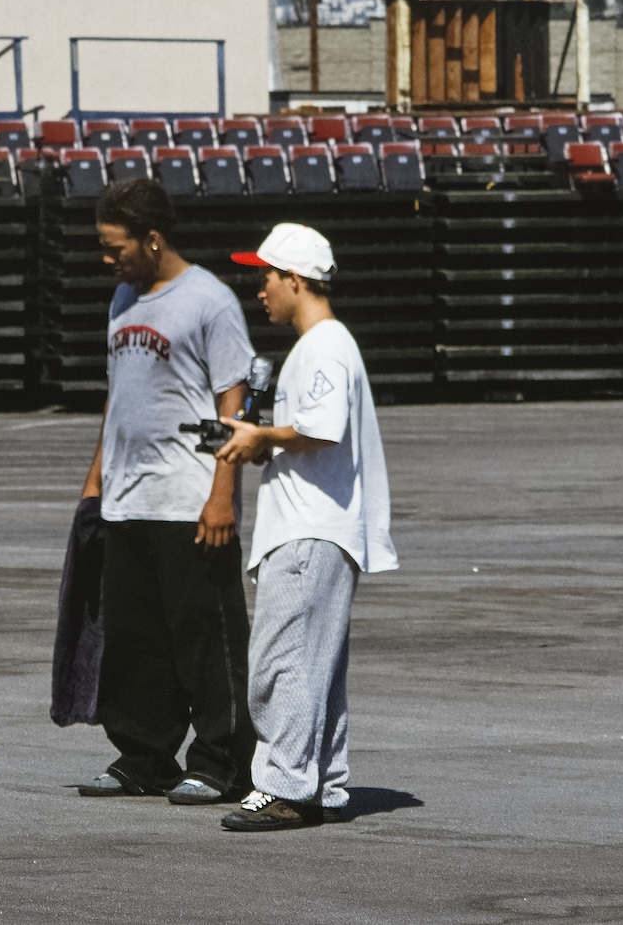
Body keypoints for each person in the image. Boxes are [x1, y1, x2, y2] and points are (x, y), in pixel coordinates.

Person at [77, 177, 259, 804]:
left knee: (205, 636)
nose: (108, 260)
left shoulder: (208, 300)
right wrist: (97, 477)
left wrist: (222, 493)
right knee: (136, 640)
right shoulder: (123, 298)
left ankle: (221, 760)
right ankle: (144, 756)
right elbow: (120, 394)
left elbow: (233, 401)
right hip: (128, 499)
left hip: (189, 497)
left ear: (152, 240)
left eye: (115, 247)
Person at [214, 223, 397, 831]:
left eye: (266, 276)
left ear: (294, 279)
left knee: (279, 662)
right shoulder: (325, 345)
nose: (260, 289)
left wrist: (261, 435)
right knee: (314, 664)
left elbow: (322, 428)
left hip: (308, 530)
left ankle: (286, 786)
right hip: (321, 527)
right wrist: (263, 444)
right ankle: (322, 783)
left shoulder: (322, 346)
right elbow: (312, 438)